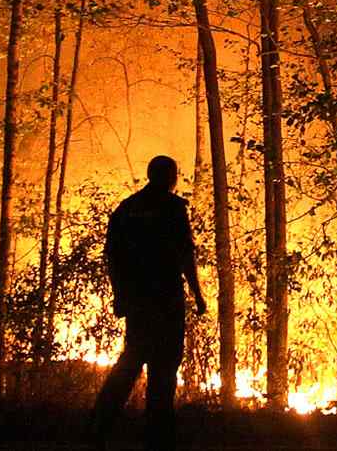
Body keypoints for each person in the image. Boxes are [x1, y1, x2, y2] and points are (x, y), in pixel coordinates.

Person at [90, 155, 206, 451]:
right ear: (169, 177)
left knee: (132, 362)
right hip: (166, 299)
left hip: (139, 300)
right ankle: (157, 433)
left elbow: (113, 257)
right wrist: (197, 294)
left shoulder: (127, 210)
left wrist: (121, 295)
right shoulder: (173, 209)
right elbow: (184, 255)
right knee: (164, 367)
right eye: (174, 174)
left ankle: (99, 425)